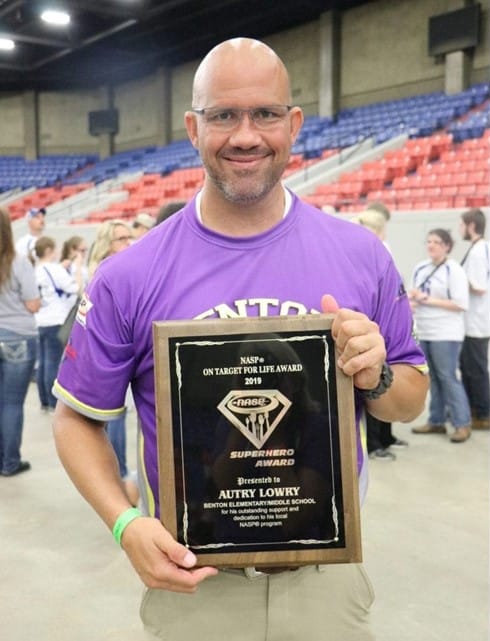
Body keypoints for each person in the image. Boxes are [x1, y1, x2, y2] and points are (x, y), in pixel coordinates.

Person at [52, 38, 428, 641]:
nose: (245, 135)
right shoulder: (128, 274)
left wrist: (376, 373)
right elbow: (75, 419)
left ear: (294, 123)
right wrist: (124, 525)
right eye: (224, 115)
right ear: (193, 128)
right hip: (193, 584)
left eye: (266, 114)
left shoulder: (363, 256)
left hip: (324, 581)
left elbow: (410, 400)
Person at [85, 219, 138, 506]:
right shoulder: (106, 273)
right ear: (107, 242)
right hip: (110, 356)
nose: (127, 242)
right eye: (121, 238)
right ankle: (117, 476)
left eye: (128, 237)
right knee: (112, 415)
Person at [353, 209, 408, 460]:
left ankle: (383, 439)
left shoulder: (378, 252)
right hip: (369, 333)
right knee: (370, 384)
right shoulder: (367, 251)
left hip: (378, 332)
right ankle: (375, 443)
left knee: (381, 380)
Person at [409, 228, 471, 443]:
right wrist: (414, 300)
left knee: (448, 377)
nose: (431, 245)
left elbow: (461, 304)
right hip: (425, 330)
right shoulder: (421, 268)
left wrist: (427, 299)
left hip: (446, 333)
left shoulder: (454, 270)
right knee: (432, 377)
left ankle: (462, 423)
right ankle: (436, 420)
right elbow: (416, 296)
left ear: (446, 246)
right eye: (428, 241)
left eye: (436, 242)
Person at [0, 207, 40, 476]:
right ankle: (10, 461)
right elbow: (33, 304)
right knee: (12, 403)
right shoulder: (18, 262)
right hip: (18, 338)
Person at [34, 236, 82, 412]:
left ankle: (44, 400)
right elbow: (75, 288)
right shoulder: (53, 268)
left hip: (40, 319)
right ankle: (54, 401)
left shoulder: (35, 269)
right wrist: (76, 270)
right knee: (53, 362)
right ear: (48, 250)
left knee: (44, 361)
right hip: (56, 319)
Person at [458, 208, 490, 430]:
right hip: (476, 320)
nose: (459, 229)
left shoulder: (478, 252)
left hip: (476, 322)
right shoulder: (482, 248)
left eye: (461, 224)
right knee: (470, 368)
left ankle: (483, 413)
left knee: (475, 370)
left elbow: (478, 287)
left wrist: (456, 281)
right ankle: (476, 408)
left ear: (471, 226)